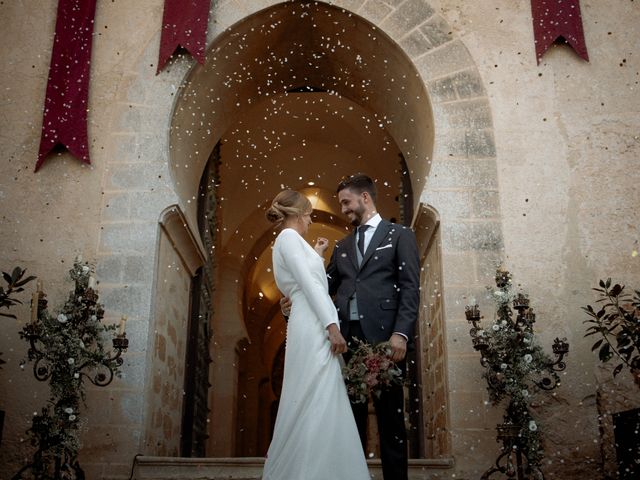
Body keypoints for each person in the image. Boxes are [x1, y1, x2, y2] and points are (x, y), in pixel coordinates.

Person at [283, 174, 420, 480]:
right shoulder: (343, 246)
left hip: (387, 342)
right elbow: (324, 285)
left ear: (365, 198)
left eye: (347, 202)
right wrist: (295, 297)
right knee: (348, 424)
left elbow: (410, 289)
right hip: (347, 343)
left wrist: (400, 334)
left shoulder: (399, 235)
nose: (343, 209)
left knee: (391, 424)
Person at [262, 189, 370, 480]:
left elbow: (307, 278)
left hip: (309, 320)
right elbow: (309, 285)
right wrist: (331, 325)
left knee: (317, 395)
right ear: (297, 214)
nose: (310, 220)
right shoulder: (287, 238)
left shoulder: (291, 241)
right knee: (317, 392)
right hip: (312, 324)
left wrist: (318, 253)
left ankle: (320, 468)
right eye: (308, 214)